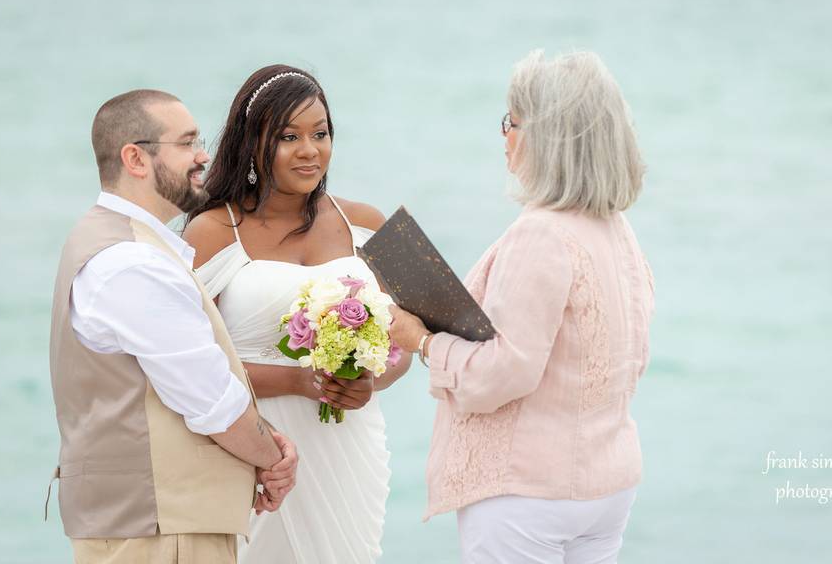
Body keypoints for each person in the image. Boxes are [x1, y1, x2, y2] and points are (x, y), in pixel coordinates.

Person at [390, 50, 655, 564]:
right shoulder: (618, 231)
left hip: (530, 492)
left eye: (512, 122)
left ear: (546, 137)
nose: (505, 135)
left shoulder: (540, 234)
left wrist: (421, 340)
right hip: (608, 484)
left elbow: (502, 372)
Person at [48, 89, 298, 564]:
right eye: (186, 143)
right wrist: (273, 457)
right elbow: (210, 400)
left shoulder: (105, 240)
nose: (204, 155)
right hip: (163, 532)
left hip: (144, 525)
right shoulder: (133, 261)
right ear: (136, 159)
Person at [184, 65, 411, 563]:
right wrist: (297, 382)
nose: (310, 150)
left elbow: (413, 341)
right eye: (289, 136)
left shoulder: (372, 222)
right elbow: (189, 368)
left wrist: (375, 378)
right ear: (253, 142)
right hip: (259, 453)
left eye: (321, 133)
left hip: (350, 448)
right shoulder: (210, 231)